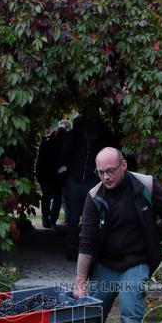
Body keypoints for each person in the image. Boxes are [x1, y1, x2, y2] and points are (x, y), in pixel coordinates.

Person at [73, 147, 162, 323]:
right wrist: (80, 280)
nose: (105, 177)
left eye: (110, 170)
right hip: (105, 263)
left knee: (130, 308)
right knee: (93, 306)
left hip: (137, 262)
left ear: (123, 165)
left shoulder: (146, 186)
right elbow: (86, 240)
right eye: (100, 172)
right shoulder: (94, 197)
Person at [60, 105, 116, 259]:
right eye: (89, 118)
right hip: (75, 181)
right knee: (73, 218)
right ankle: (71, 251)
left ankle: (90, 252)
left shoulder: (102, 136)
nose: (91, 121)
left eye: (94, 118)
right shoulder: (75, 135)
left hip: (93, 182)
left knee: (91, 219)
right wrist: (66, 175)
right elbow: (64, 154)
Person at [35, 119, 70, 228]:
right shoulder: (62, 143)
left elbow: (39, 161)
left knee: (49, 197)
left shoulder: (47, 142)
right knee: (56, 198)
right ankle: (51, 219)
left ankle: (47, 218)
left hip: (48, 175)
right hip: (54, 176)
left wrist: (39, 175)